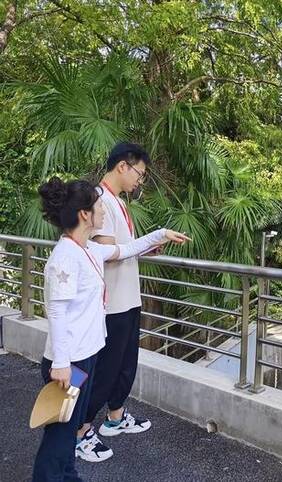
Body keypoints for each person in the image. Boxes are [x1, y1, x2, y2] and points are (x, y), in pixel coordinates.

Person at [32, 176, 189, 481]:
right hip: (69, 363)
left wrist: (160, 235)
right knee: (60, 435)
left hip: (86, 357)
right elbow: (57, 311)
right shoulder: (64, 258)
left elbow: (126, 250)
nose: (104, 212)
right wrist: (62, 364)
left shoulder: (89, 250)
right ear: (84, 215)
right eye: (99, 207)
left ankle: (67, 475)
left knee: (69, 429)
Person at [77, 143, 156, 462]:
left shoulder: (116, 201)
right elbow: (107, 253)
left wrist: (146, 247)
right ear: (123, 166)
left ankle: (115, 418)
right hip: (110, 304)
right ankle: (79, 431)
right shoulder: (99, 200)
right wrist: (152, 239)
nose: (140, 180)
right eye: (140, 173)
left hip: (127, 298)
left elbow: (123, 247)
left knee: (125, 365)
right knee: (105, 370)